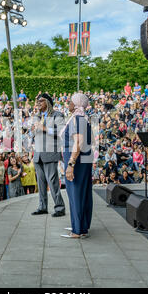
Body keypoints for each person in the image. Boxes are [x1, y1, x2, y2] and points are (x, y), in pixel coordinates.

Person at [60, 93, 93, 238]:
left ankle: (77, 230)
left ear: (77, 104)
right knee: (83, 193)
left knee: (76, 193)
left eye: (71, 101)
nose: (69, 103)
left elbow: (78, 143)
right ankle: (81, 226)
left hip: (77, 160)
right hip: (84, 159)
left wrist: (70, 164)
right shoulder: (83, 119)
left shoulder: (77, 120)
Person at [31, 93, 66, 217]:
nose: (38, 103)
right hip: (38, 153)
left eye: (41, 101)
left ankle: (60, 207)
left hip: (50, 152)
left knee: (52, 181)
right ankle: (42, 206)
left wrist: (45, 128)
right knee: (40, 182)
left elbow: (62, 131)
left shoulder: (57, 115)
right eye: (37, 101)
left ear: (48, 102)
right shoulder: (37, 116)